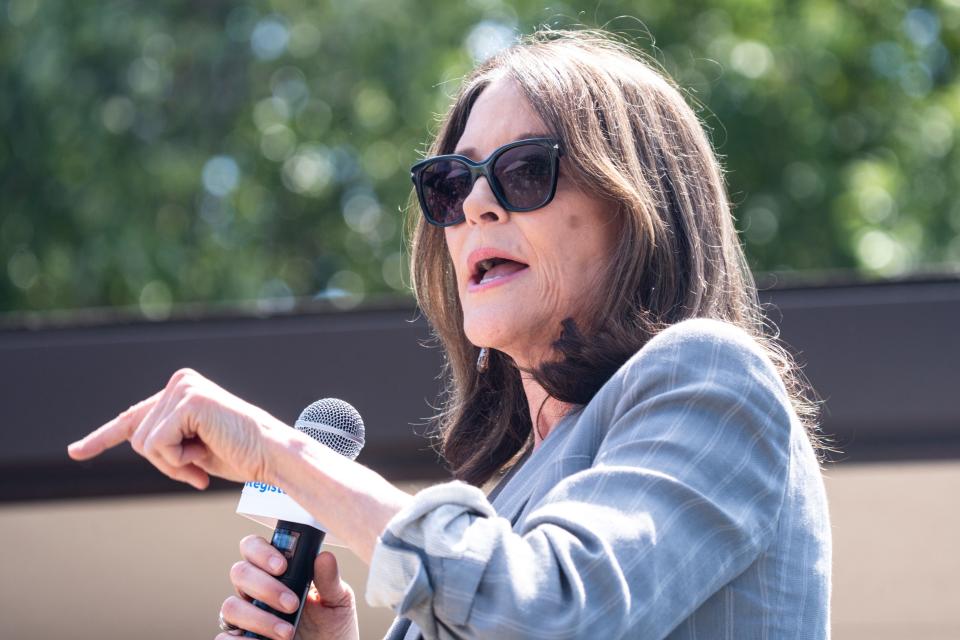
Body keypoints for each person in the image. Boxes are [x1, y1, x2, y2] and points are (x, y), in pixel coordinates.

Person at [68, 29, 831, 640]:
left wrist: (282, 455)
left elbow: (550, 616)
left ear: (639, 208)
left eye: (525, 171)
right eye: (452, 183)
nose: (476, 209)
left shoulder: (714, 378)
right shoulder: (499, 508)